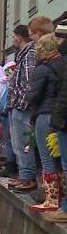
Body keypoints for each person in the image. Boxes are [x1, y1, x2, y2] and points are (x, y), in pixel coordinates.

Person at [26, 33, 63, 211]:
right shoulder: (62, 63)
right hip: (59, 115)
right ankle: (62, 200)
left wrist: (27, 96)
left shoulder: (43, 68)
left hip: (44, 114)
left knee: (47, 158)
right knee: (59, 158)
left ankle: (51, 200)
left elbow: (33, 95)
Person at [8, 25, 39, 192]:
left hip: (23, 107)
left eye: (14, 36)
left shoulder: (29, 55)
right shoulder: (23, 55)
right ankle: (24, 175)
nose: (13, 40)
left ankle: (28, 178)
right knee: (17, 143)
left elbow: (29, 83)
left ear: (19, 38)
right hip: (19, 106)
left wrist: (19, 104)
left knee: (24, 144)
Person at [43, 20, 67, 222]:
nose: (56, 41)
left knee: (64, 164)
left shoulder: (60, 63)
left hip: (62, 118)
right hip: (60, 116)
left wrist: (56, 122)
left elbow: (63, 95)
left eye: (59, 36)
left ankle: (65, 208)